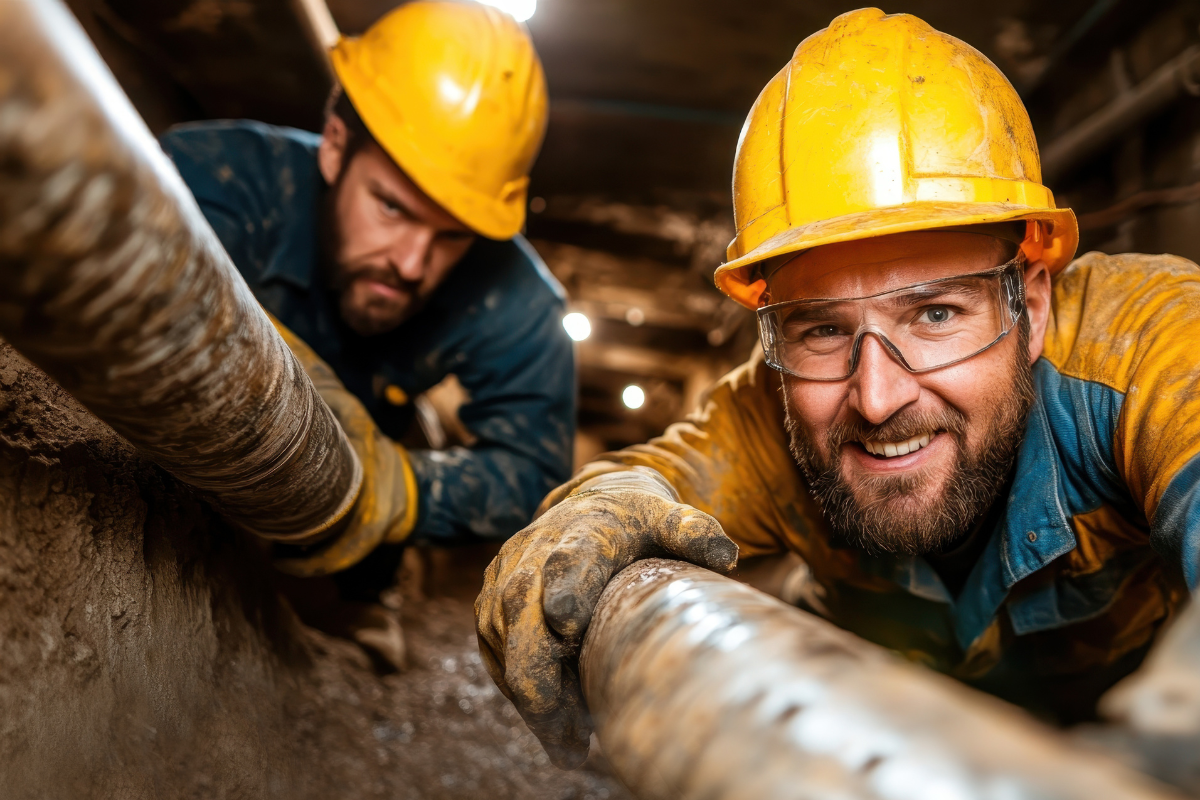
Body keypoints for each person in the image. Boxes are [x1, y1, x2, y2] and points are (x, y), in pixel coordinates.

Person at [476, 7, 1200, 768]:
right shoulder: (768, 408)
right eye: (821, 329)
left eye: (935, 313)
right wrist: (584, 521)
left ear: (1034, 305)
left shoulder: (1145, 346)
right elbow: (645, 482)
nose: (878, 398)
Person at [160, 0, 575, 597]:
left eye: (451, 235)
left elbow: (533, 472)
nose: (411, 264)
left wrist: (399, 489)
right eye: (391, 207)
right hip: (182, 461)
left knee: (363, 574)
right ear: (334, 145)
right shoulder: (214, 179)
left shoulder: (515, 297)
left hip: (329, 530)